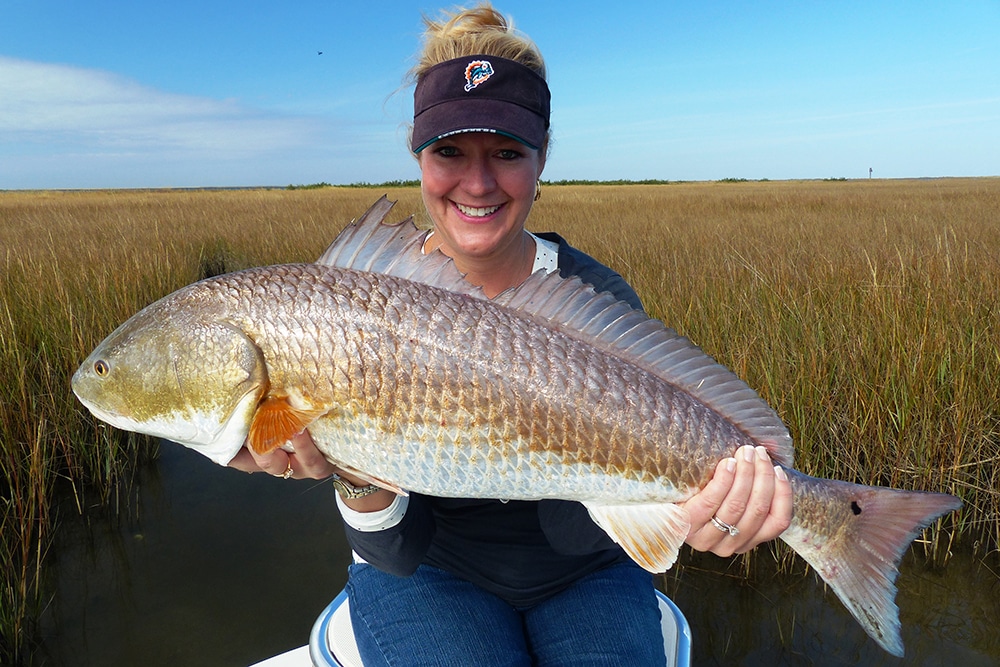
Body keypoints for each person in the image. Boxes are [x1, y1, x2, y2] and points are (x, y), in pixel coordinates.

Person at [230, 3, 793, 665]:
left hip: (588, 571)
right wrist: (351, 472)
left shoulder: (599, 298)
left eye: (506, 152)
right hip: (430, 574)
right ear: (417, 154)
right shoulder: (353, 307)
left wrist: (723, 507)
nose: (477, 182)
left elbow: (603, 522)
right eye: (449, 152)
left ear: (542, 156)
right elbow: (394, 552)